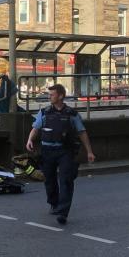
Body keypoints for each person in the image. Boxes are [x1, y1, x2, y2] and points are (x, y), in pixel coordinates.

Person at [26, 84, 95, 225]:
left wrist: (89, 151)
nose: (49, 97)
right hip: (47, 151)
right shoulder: (44, 112)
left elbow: (82, 132)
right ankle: (54, 203)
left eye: (52, 94)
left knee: (66, 180)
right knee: (49, 181)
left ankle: (63, 212)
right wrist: (29, 140)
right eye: (49, 94)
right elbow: (35, 128)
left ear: (61, 96)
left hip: (65, 151)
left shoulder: (71, 114)